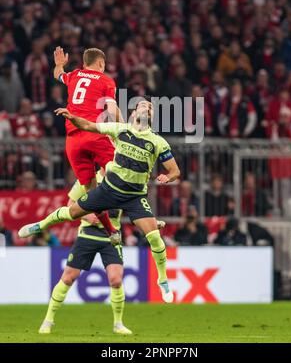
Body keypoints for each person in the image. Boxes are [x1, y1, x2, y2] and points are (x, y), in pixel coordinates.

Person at [19, 99, 181, 304]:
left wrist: (169, 177)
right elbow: (88, 125)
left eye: (150, 108)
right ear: (133, 113)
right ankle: (39, 225)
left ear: (152, 117)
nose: (147, 108)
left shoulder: (158, 142)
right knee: (73, 212)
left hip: (135, 196)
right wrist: (72, 117)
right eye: (143, 105)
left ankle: (163, 279)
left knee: (155, 237)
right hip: (109, 190)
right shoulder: (120, 129)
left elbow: (175, 171)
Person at [38, 171, 132, 336]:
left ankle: (118, 324)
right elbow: (70, 203)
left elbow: (133, 205)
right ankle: (48, 320)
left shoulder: (122, 179)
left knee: (116, 280)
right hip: (88, 234)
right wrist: (87, 216)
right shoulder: (88, 178)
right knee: (68, 277)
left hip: (112, 236)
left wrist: (151, 222)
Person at [53, 46, 124, 244]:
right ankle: (144, 219)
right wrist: (125, 128)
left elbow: (58, 74)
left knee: (92, 193)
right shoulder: (106, 80)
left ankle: (111, 231)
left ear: (85, 63)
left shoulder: (74, 75)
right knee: (123, 172)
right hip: (95, 134)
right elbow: (111, 109)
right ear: (101, 63)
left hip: (73, 142)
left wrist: (59, 65)